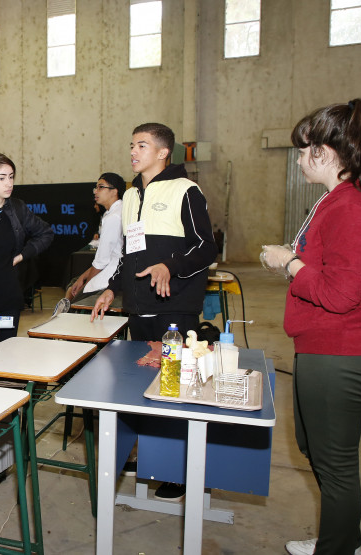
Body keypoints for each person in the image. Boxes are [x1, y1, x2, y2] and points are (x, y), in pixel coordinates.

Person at [261, 99, 361, 555]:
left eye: (304, 152)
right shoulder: (343, 201)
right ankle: (339, 539)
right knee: (314, 445)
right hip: (325, 343)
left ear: (327, 152)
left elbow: (340, 295)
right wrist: (300, 259)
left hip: (341, 348)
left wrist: (291, 263)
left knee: (335, 463)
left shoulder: (354, 207)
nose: (300, 160)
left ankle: (340, 548)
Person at [90, 123, 218, 501]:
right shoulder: (130, 196)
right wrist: (113, 287)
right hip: (139, 308)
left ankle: (179, 472)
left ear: (163, 152)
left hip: (175, 308)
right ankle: (149, 455)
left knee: (174, 387)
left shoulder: (186, 190)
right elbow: (129, 255)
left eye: (142, 145)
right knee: (139, 387)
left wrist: (170, 266)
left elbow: (206, 247)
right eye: (131, 145)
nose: (133, 151)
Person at [0, 153, 53, 341]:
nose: (9, 183)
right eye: (2, 178)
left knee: (6, 358)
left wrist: (21, 256)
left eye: (11, 177)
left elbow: (46, 233)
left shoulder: (17, 208)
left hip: (9, 295)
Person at [66, 172, 126, 301]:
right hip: (111, 268)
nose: (95, 191)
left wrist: (86, 284)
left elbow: (102, 261)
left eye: (100, 187)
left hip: (114, 273)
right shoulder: (113, 212)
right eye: (96, 187)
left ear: (114, 191)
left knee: (74, 293)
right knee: (74, 282)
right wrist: (83, 277)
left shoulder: (113, 217)